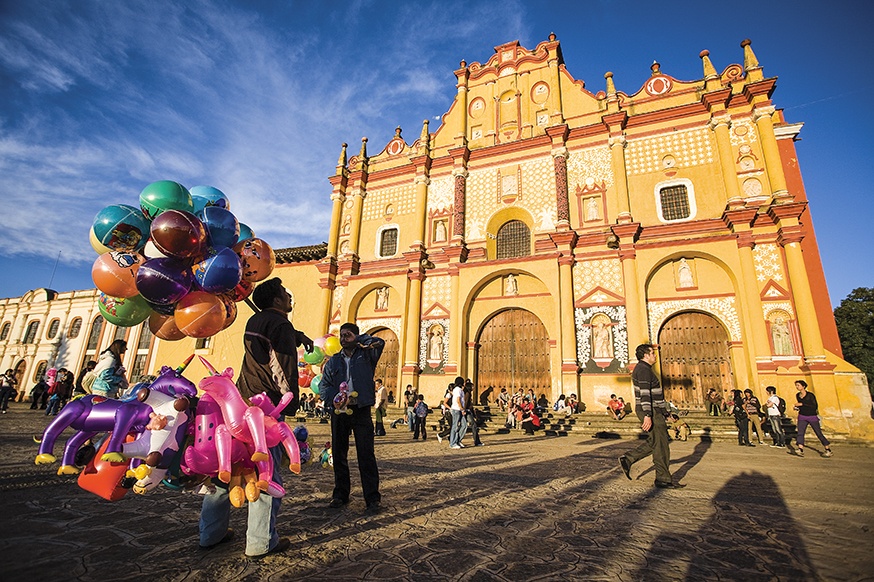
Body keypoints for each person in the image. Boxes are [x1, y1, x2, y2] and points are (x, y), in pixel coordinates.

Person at [200, 277, 313, 558]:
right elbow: (282, 368)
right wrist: (290, 402)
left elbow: (269, 345)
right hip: (266, 409)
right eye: (286, 294)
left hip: (239, 403)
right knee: (265, 472)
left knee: (230, 466)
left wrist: (297, 336)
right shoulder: (280, 325)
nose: (290, 297)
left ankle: (210, 533)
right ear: (277, 300)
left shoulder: (256, 322)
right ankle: (261, 541)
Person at [320, 322, 385, 513]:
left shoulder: (367, 356)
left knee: (366, 454)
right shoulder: (333, 361)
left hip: (361, 409)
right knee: (339, 453)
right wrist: (335, 398)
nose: (342, 338)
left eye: (347, 335)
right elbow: (324, 385)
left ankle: (372, 498)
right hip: (339, 411)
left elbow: (379, 342)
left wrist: (360, 339)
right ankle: (340, 494)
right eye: (341, 335)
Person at [618, 344, 684, 489]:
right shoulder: (643, 370)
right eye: (652, 353)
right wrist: (648, 415)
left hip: (654, 410)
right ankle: (663, 478)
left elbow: (657, 397)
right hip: (650, 410)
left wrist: (666, 414)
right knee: (661, 444)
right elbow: (645, 395)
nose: (655, 355)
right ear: (646, 355)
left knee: (655, 440)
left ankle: (628, 459)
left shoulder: (646, 370)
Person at [792, 380, 833, 458]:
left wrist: (802, 404)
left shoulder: (810, 395)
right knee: (800, 432)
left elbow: (814, 406)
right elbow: (801, 406)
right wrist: (797, 407)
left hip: (812, 416)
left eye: (798, 385)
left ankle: (827, 449)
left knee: (818, 433)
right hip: (802, 416)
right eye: (796, 385)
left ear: (803, 386)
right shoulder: (798, 395)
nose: (797, 387)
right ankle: (800, 448)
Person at [448, 376, 467, 450]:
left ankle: (458, 440)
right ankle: (452, 443)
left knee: (464, 425)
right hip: (456, 409)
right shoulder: (457, 390)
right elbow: (458, 400)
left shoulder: (460, 390)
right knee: (455, 426)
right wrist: (462, 409)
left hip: (459, 409)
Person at [463, 381, 483, 446]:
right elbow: (466, 403)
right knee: (473, 425)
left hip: (467, 411)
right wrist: (464, 410)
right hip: (466, 411)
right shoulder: (467, 394)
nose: (473, 388)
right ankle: (477, 441)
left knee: (463, 426)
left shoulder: (467, 393)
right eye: (472, 386)